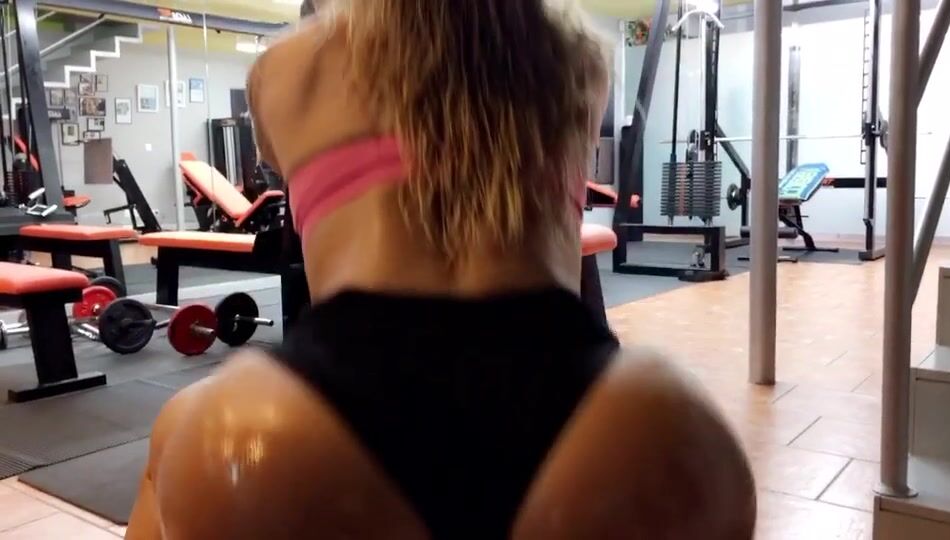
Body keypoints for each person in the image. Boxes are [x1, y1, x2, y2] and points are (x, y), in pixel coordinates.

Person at [125, 1, 756, 538]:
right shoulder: (581, 54)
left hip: (288, 423)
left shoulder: (288, 68)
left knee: (182, 427)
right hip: (613, 410)